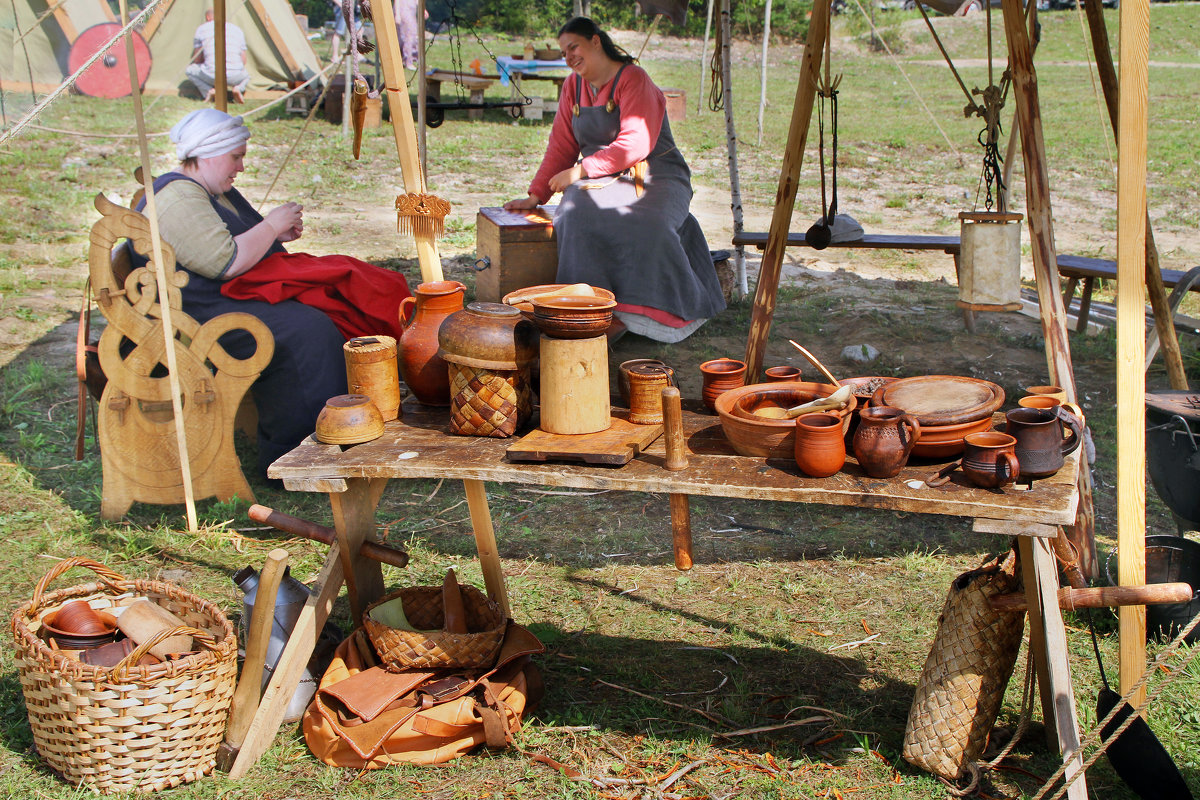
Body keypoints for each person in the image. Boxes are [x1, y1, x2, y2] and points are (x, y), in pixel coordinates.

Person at [127, 109, 413, 476]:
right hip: (203, 312)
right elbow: (224, 262)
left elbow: (228, 249)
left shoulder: (201, 189)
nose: (241, 167)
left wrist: (272, 235)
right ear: (211, 153)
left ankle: (338, 430)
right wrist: (271, 225)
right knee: (307, 331)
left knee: (328, 311)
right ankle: (294, 456)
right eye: (236, 156)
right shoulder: (178, 199)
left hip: (222, 297)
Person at [504, 17, 725, 343]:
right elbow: (561, 146)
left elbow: (635, 143)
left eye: (574, 46)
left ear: (596, 41)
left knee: (650, 224)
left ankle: (648, 315)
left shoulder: (633, 79)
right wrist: (536, 196)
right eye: (564, 52)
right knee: (574, 214)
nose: (569, 57)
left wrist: (580, 171)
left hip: (655, 174)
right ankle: (587, 313)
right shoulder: (572, 87)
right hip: (600, 177)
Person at [187, 9, 250, 104]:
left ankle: (209, 91)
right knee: (247, 76)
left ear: (208, 17)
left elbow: (197, 59)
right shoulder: (237, 30)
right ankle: (238, 88)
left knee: (189, 71)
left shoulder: (202, 29)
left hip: (212, 75)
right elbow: (244, 61)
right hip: (235, 76)